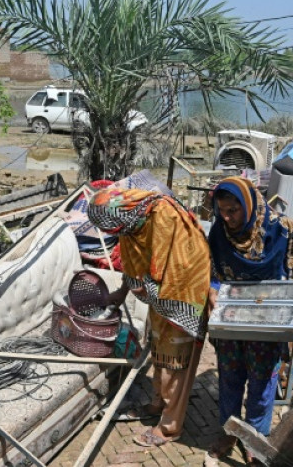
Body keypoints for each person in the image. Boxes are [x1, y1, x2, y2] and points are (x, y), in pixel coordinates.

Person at [206, 176, 293, 464]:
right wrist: (211, 288)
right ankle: (229, 432)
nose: (227, 217)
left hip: (268, 314)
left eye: (233, 210)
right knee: (230, 377)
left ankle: (254, 437)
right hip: (232, 314)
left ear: (248, 204)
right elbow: (210, 267)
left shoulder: (277, 227)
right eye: (222, 210)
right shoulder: (219, 232)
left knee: (262, 380)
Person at [87, 187, 211, 447]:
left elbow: (181, 265)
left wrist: (150, 286)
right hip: (158, 298)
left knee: (176, 364)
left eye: (116, 229)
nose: (117, 235)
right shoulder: (132, 222)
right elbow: (135, 261)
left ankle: (169, 428)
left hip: (182, 300)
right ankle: (159, 405)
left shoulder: (165, 216)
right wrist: (123, 292)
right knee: (159, 354)